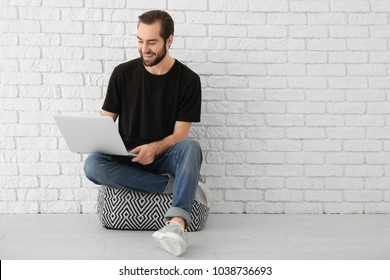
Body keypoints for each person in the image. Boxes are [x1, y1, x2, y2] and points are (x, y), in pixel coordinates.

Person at [83, 10, 203, 257]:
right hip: (128, 156)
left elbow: (180, 134)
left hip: (165, 156)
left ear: (169, 40)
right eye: (139, 40)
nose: (144, 48)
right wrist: (97, 139)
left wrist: (155, 149)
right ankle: (170, 186)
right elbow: (107, 121)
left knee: (191, 147)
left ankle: (176, 225)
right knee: (93, 165)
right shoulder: (122, 73)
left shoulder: (189, 80)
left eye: (151, 42)